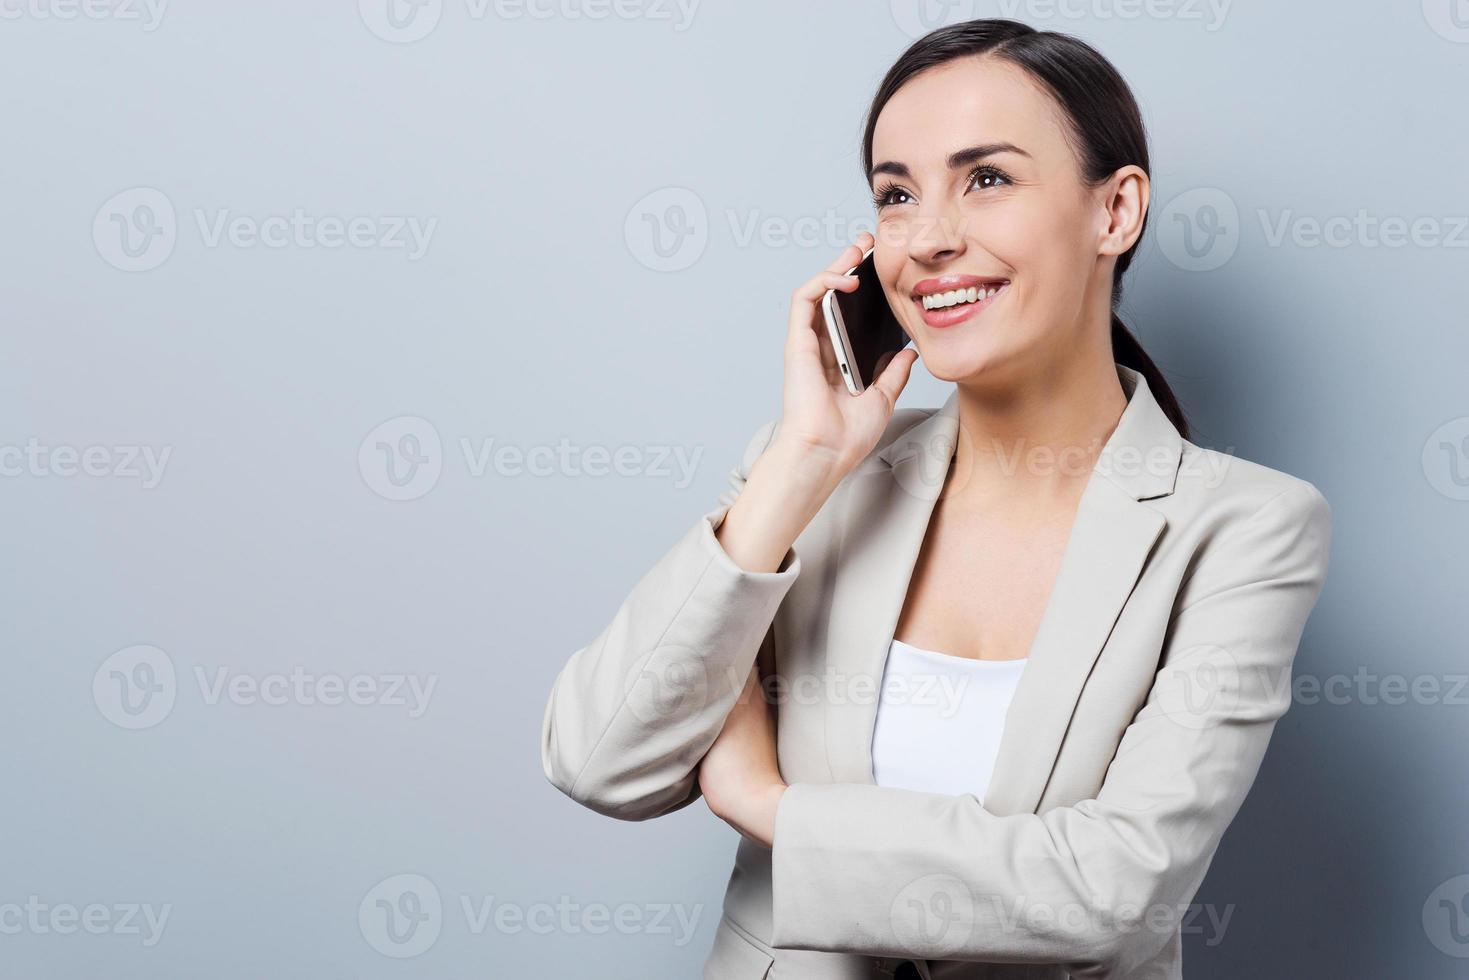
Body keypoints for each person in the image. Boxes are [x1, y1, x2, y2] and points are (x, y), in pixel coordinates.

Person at [541, 19, 1332, 979]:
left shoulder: (1245, 529)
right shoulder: (809, 484)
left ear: (1114, 212)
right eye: (896, 195)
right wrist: (800, 463)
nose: (927, 239)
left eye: (986, 179)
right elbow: (599, 761)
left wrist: (770, 805)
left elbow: (1113, 893)